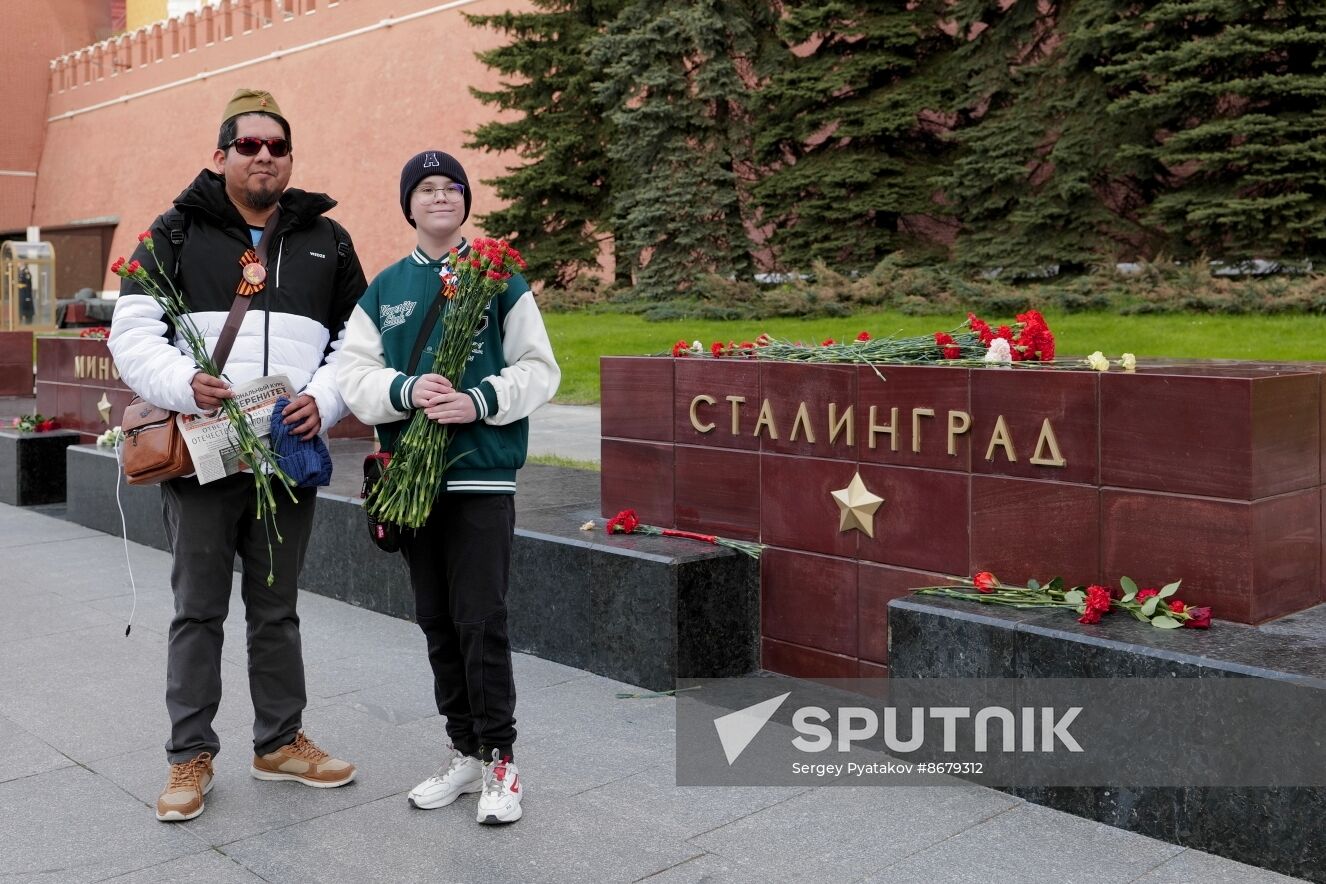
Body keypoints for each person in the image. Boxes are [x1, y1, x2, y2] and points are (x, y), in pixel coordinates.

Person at [108, 88, 367, 822]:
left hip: (286, 450)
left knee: (276, 608)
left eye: (276, 147)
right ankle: (190, 757)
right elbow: (130, 335)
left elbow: (360, 341)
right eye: (248, 145)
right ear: (219, 155)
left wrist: (327, 400)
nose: (263, 156)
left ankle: (279, 742)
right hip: (205, 450)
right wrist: (184, 385)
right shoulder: (175, 233)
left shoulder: (328, 240)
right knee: (197, 610)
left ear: (289, 158)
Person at [336, 150, 559, 825]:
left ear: (466, 202)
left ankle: (501, 762)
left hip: (480, 478)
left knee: (480, 620)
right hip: (412, 485)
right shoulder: (387, 288)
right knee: (435, 620)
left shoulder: (500, 279)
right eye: (426, 189)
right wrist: (404, 390)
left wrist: (481, 400)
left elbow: (539, 369)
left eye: (451, 188)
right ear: (409, 205)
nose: (440, 197)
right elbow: (353, 373)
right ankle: (464, 750)